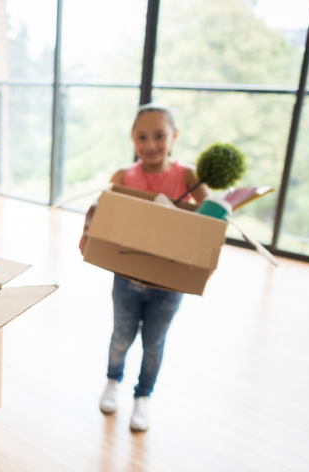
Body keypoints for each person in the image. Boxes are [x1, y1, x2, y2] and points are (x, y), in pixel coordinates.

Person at [79, 103, 209, 432]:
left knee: (153, 343)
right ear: (132, 139)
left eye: (159, 135)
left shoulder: (188, 176)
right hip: (126, 277)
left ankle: (143, 396)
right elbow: (99, 207)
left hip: (168, 285)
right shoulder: (124, 176)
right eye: (141, 137)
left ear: (174, 136)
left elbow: (211, 222)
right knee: (121, 337)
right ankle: (112, 381)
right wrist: (86, 231)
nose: (150, 144)